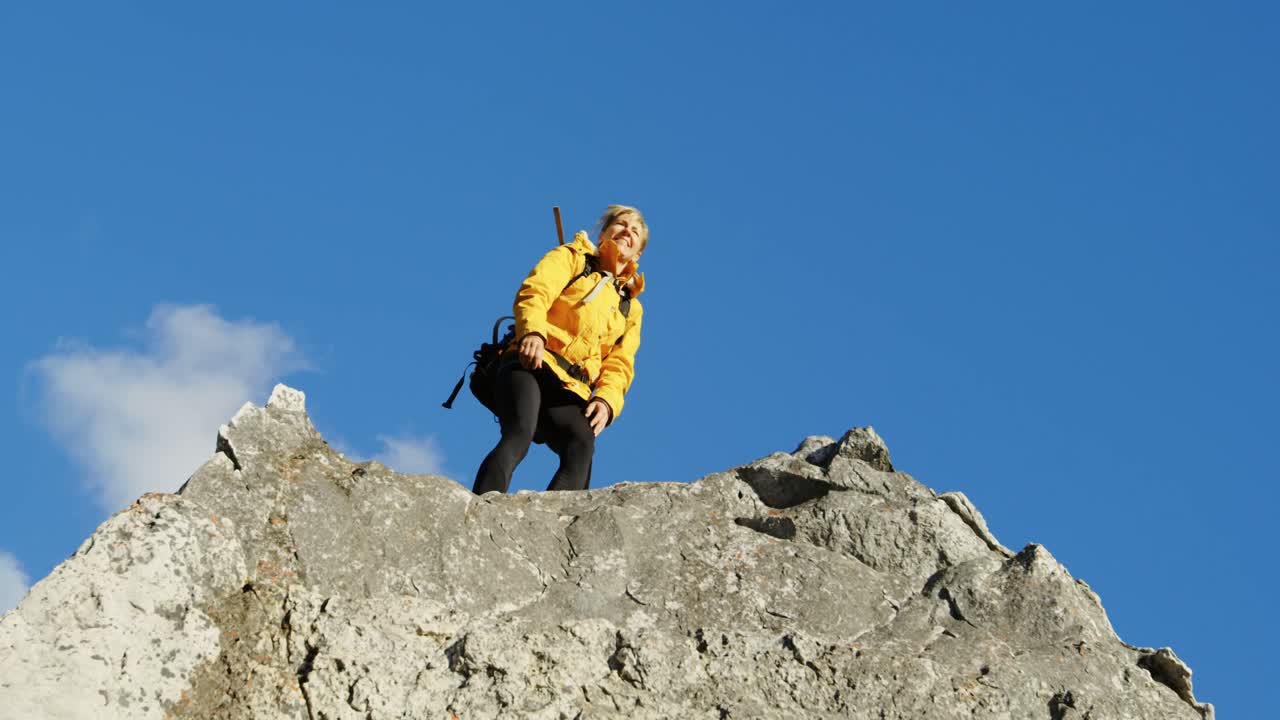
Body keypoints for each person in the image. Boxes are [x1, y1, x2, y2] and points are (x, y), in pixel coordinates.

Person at [472, 205, 648, 494]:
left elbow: (620, 362)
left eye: (635, 231)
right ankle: (483, 505)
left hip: (571, 386)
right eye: (620, 224)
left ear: (638, 254)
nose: (627, 231)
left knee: (581, 444)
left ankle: (553, 518)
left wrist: (606, 400)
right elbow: (536, 291)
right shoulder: (572, 257)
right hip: (532, 362)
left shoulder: (630, 307)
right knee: (520, 433)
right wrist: (533, 332)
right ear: (603, 234)